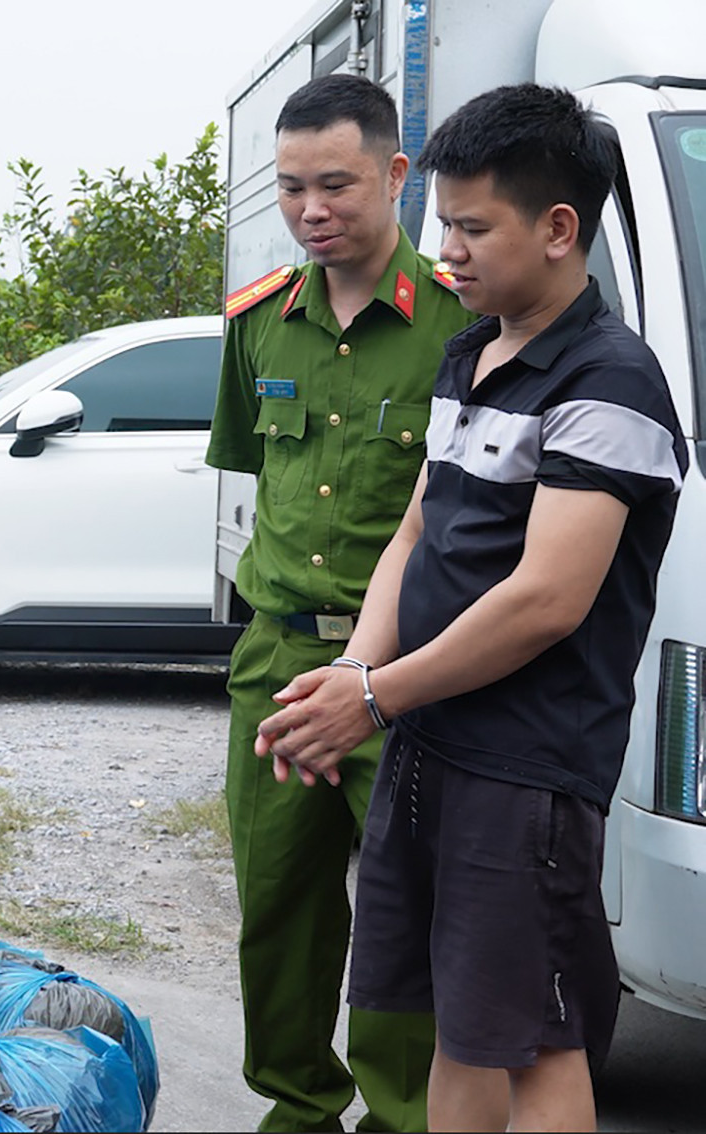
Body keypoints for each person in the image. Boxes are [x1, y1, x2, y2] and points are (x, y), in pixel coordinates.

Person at [254, 83, 686, 1132]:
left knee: (536, 1041)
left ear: (557, 229)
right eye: (442, 223)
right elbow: (414, 534)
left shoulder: (609, 382)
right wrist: (353, 672)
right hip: (431, 746)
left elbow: (545, 600)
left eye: (472, 228)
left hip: (525, 769)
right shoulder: (472, 352)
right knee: (456, 1022)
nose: (446, 249)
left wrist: (375, 698)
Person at [207, 73, 476, 1132]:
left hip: (405, 672)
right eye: (291, 189)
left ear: (396, 175)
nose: (311, 210)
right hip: (277, 661)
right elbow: (255, 481)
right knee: (277, 902)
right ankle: (299, 1105)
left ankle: (403, 1113)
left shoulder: (461, 321)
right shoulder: (258, 325)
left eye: (336, 184)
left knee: (410, 911)